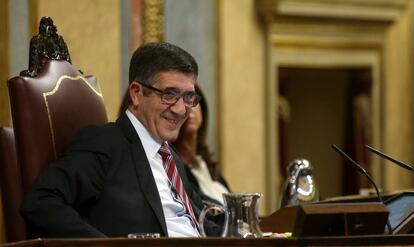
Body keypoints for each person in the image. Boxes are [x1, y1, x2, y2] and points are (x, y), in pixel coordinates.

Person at [20, 42, 221, 238]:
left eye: (188, 97)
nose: (180, 109)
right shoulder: (104, 143)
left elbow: (201, 220)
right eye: (169, 95)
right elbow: (41, 202)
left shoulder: (169, 156)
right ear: (136, 93)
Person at [172, 85, 230, 206]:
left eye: (193, 100)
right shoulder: (172, 169)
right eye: (181, 101)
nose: (190, 107)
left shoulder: (206, 166)